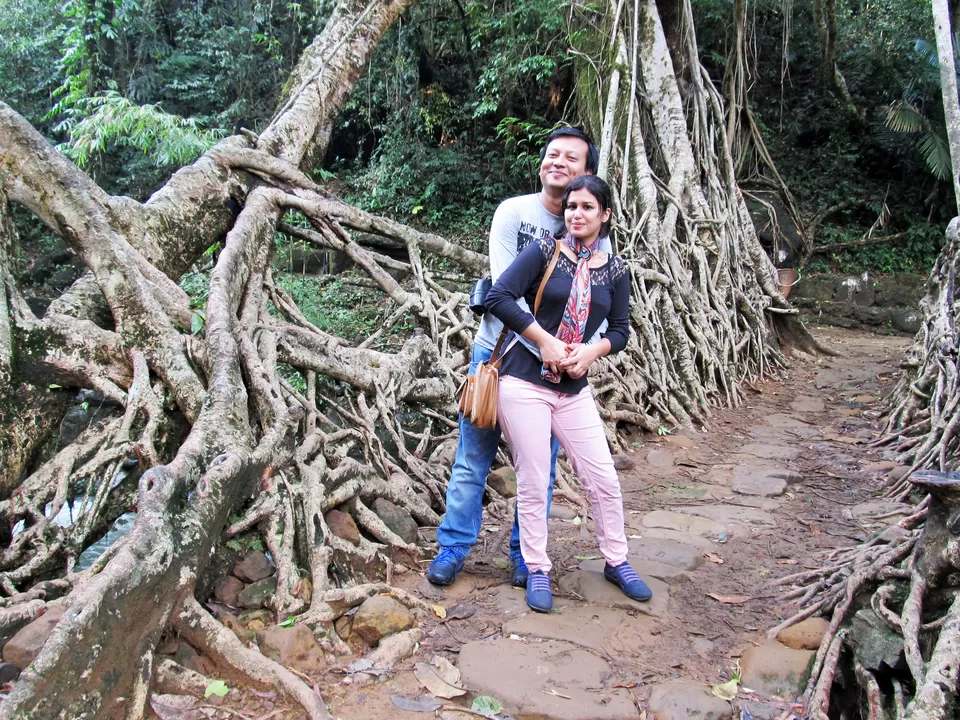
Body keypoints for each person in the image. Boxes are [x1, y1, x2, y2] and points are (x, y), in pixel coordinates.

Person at [427, 128, 610, 588]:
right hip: (495, 356)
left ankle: (525, 557)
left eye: (572, 158)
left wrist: (582, 353)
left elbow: (602, 309)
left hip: (552, 371)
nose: (559, 163)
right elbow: (502, 291)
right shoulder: (513, 213)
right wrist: (547, 344)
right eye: (552, 154)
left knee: (538, 468)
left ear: (587, 173)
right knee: (473, 457)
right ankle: (453, 548)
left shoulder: (594, 236)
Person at [485, 175, 652, 612]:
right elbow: (499, 294)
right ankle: (537, 568)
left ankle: (617, 559)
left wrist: (591, 353)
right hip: (524, 381)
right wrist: (544, 340)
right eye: (572, 206)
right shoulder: (544, 251)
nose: (577, 213)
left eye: (587, 207)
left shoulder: (615, 271)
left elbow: (619, 330)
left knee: (603, 478)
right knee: (535, 479)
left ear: (605, 216)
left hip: (573, 387)